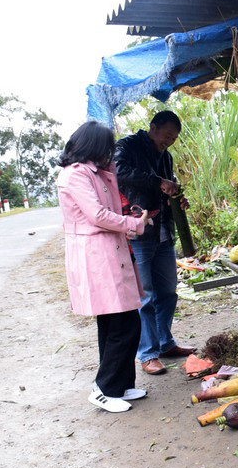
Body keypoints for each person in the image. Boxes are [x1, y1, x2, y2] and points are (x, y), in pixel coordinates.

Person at [57, 121, 152, 413]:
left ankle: (119, 386)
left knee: (119, 321)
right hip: (96, 255)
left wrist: (109, 170)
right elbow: (98, 215)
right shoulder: (75, 176)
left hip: (110, 252)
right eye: (107, 149)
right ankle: (104, 389)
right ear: (94, 147)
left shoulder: (95, 172)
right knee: (122, 324)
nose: (110, 154)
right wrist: (135, 224)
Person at [114, 110, 195, 375]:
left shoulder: (167, 156)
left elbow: (165, 190)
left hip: (163, 231)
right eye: (167, 135)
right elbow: (120, 173)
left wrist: (176, 199)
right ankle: (147, 353)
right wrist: (159, 182)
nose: (169, 142)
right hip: (138, 231)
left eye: (174, 138)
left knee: (169, 291)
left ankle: (165, 343)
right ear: (153, 127)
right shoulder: (127, 146)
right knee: (145, 296)